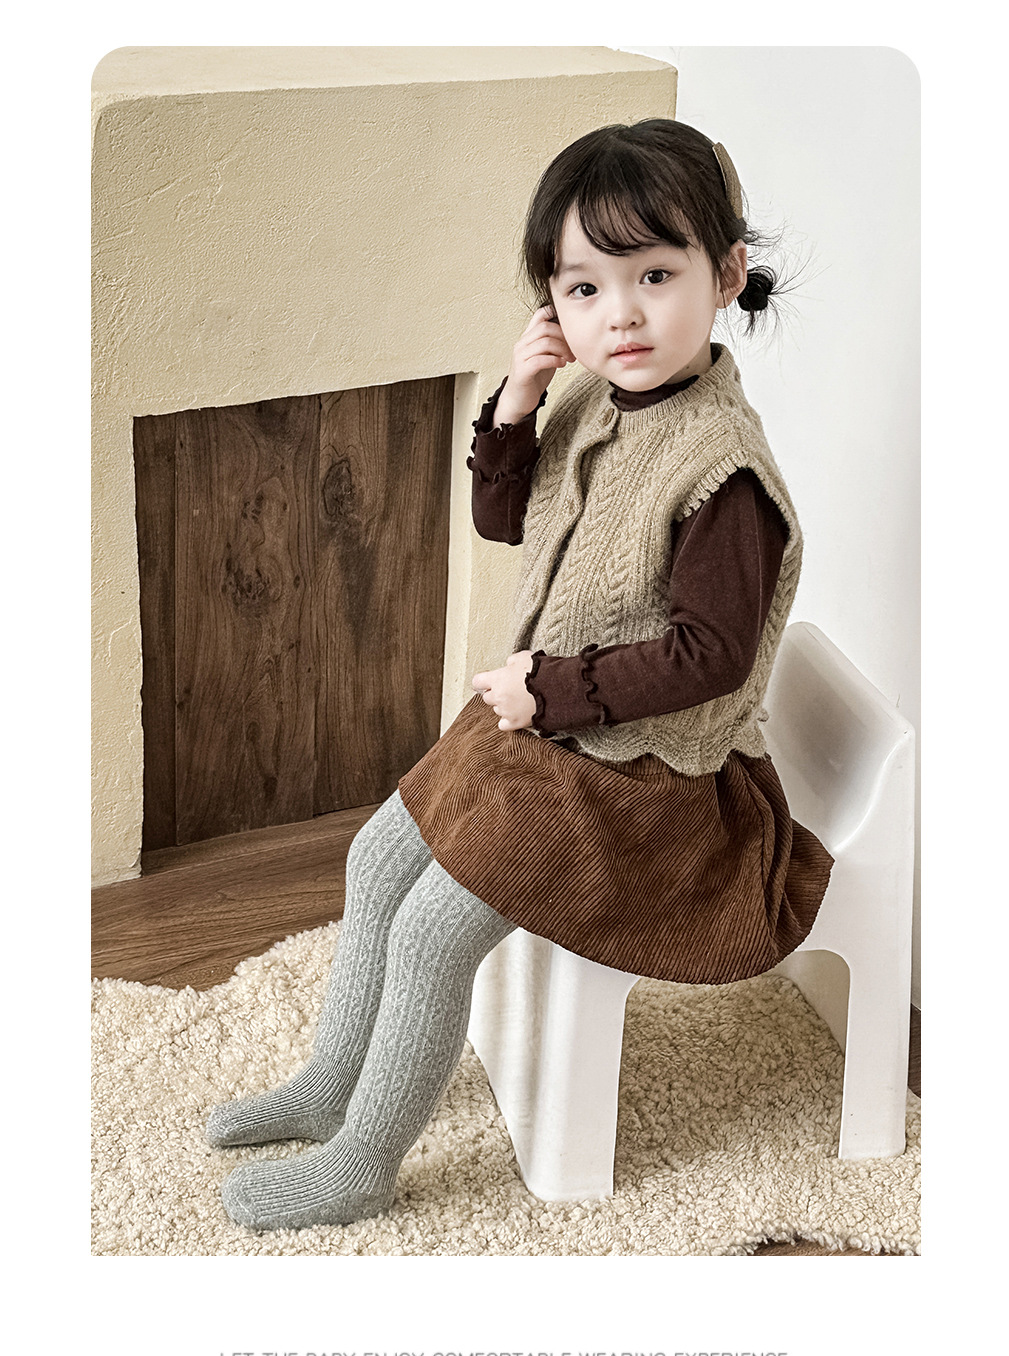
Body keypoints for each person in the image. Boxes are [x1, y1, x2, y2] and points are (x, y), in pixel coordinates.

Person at [205, 118, 834, 1233]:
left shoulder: (723, 472)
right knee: (377, 855)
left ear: (726, 273)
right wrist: (516, 401)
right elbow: (506, 520)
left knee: (435, 930)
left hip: (646, 776)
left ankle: (363, 1162)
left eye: (654, 275)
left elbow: (711, 656)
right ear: (552, 304)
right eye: (584, 289)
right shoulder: (590, 394)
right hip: (553, 727)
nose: (621, 314)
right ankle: (331, 1081)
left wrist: (550, 693)